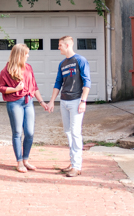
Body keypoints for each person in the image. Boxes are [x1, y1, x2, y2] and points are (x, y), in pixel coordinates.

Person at [0, 43, 48, 173]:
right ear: (19, 55)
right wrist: (15, 89)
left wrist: (41, 102)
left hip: (28, 102)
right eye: (26, 54)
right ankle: (19, 162)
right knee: (17, 133)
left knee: (30, 133)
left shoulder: (29, 68)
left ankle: (26, 160)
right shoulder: (6, 70)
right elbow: (0, 88)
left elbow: (34, 86)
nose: (28, 56)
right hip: (15, 103)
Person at [46, 35, 90, 177]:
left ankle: (77, 167)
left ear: (67, 45)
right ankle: (72, 163)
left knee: (76, 133)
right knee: (69, 133)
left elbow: (87, 82)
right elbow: (58, 82)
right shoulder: (62, 64)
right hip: (64, 101)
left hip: (76, 101)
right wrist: (52, 101)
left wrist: (83, 101)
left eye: (60, 45)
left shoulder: (80, 60)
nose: (58, 47)